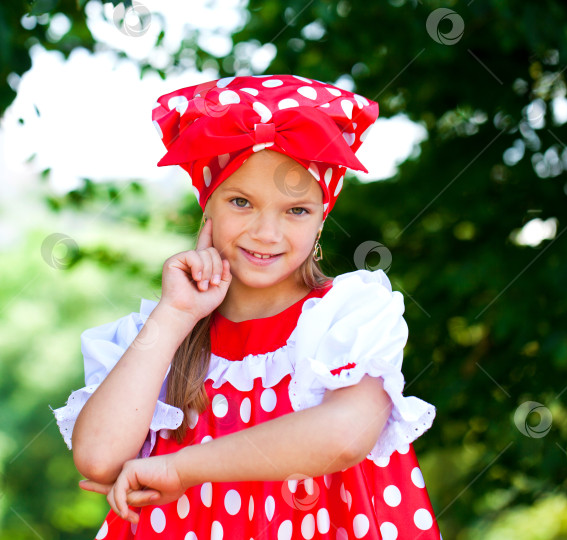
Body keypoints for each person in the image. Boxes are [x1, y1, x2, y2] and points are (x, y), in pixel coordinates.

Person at [51, 74, 442, 539]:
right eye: (241, 202)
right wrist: (175, 315)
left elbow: (344, 435)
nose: (266, 233)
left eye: (296, 210)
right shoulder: (165, 335)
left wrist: (183, 469)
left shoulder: (345, 317)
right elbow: (98, 457)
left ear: (322, 219)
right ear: (207, 208)